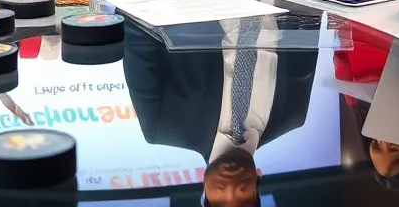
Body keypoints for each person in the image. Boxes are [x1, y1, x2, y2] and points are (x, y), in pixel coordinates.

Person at [122, 19, 317, 207]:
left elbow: (137, 33)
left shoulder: (162, 124)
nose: (231, 190)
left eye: (220, 203)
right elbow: (309, 22)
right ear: (257, 190)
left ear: (205, 191)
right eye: (243, 203)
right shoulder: (292, 113)